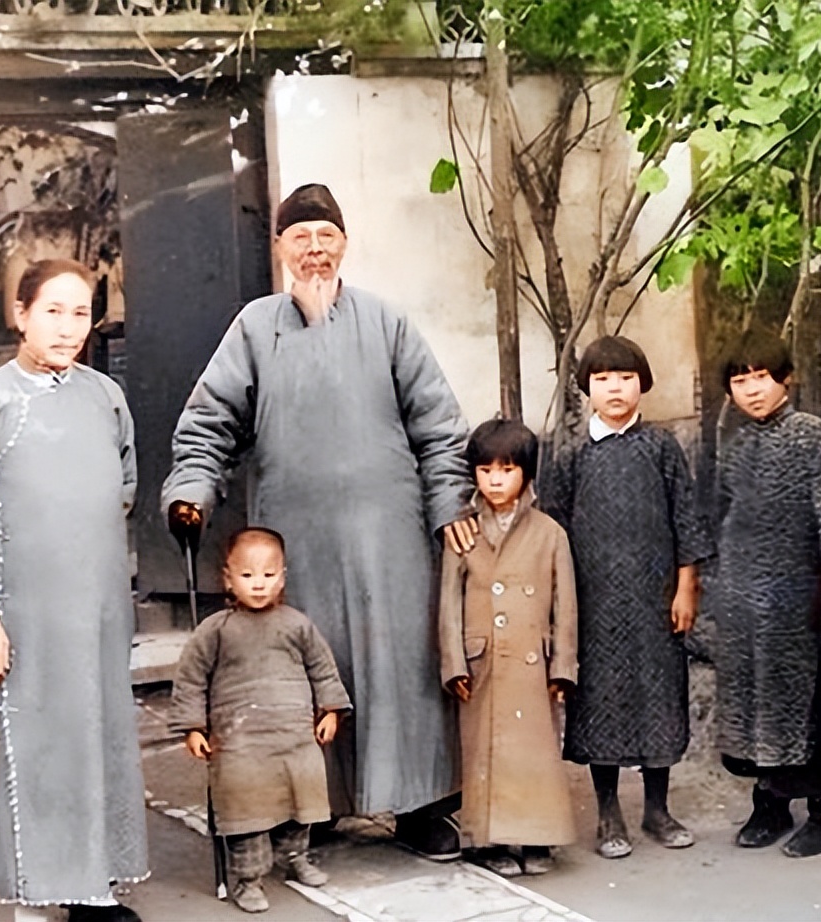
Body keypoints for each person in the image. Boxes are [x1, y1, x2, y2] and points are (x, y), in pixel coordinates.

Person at [161, 184, 474, 858]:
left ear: (344, 244)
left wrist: (448, 503)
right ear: (279, 249)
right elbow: (207, 422)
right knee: (301, 669)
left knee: (403, 668)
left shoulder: (386, 322)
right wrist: (192, 489)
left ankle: (419, 806)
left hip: (390, 537)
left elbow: (440, 425)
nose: (313, 250)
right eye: (299, 237)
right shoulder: (254, 327)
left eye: (324, 236)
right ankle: (315, 807)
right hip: (295, 540)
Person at [0, 259, 147, 922]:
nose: (67, 327)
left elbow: (123, 487)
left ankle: (97, 883)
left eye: (81, 312)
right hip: (26, 609)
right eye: (52, 311)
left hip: (99, 602)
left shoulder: (105, 396)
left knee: (102, 732)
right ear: (20, 314)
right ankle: (42, 888)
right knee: (42, 741)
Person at [542, 336, 715, 860]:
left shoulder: (661, 449)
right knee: (601, 703)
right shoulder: (571, 457)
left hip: (654, 601)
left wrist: (686, 589)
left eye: (625, 377)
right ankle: (608, 812)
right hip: (592, 605)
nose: (614, 389)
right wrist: (558, 610)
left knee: (658, 698)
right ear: (585, 390)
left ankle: (657, 809)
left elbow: (687, 520)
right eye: (602, 380)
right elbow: (553, 532)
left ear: (643, 384)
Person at [711, 331, 821, 858]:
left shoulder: (813, 438)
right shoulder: (733, 442)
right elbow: (721, 514)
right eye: (740, 380)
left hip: (795, 597)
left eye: (762, 378)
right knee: (748, 703)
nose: (752, 390)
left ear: (786, 379)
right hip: (740, 595)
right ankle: (768, 803)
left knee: (795, 706)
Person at [169, 527, 352, 912]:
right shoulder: (215, 630)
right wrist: (193, 727)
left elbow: (322, 669)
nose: (258, 585)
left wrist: (330, 709)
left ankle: (294, 857)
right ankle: (248, 879)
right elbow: (191, 678)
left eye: (268, 575)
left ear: (283, 577)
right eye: (247, 576)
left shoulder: (298, 625)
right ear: (228, 578)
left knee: (301, 801)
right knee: (246, 811)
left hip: (293, 737)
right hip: (240, 743)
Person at [439, 419, 578, 877]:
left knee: (534, 750)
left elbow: (566, 606)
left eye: (507, 469)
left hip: (530, 660)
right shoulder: (462, 533)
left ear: (527, 473)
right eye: (485, 470)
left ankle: (537, 835)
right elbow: (448, 604)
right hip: (480, 663)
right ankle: (486, 840)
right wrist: (454, 662)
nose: (495, 480)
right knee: (483, 751)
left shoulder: (550, 534)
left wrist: (563, 667)